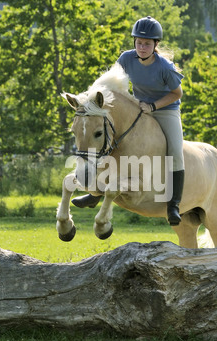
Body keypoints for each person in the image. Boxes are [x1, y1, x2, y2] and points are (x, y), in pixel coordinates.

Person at [72, 16, 185, 226]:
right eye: (139, 43)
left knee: (176, 152)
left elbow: (177, 93)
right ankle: (95, 194)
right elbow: (111, 85)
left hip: (165, 110)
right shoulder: (126, 59)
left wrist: (153, 106)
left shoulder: (165, 67)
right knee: (107, 140)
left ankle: (173, 205)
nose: (142, 47)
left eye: (147, 44)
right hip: (138, 106)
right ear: (134, 42)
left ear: (155, 45)